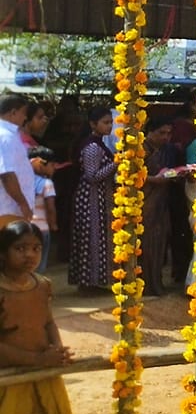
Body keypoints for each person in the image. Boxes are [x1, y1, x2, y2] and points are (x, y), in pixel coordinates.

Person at [0, 220, 86, 414]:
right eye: (20, 248)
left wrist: (56, 352)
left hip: (44, 378)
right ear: (4, 252)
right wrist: (36, 360)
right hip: (9, 380)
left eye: (35, 248)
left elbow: (48, 322)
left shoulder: (43, 285)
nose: (29, 255)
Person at [141, 115, 192, 295]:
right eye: (161, 133)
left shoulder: (166, 150)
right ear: (149, 132)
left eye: (169, 133)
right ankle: (144, 285)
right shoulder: (140, 149)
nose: (166, 137)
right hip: (144, 203)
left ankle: (156, 283)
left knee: (159, 242)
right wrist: (155, 179)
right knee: (145, 243)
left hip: (162, 203)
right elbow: (129, 176)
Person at [68, 107, 116, 291]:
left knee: (97, 237)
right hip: (90, 198)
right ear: (93, 124)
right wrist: (115, 164)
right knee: (91, 237)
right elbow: (92, 176)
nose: (109, 126)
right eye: (105, 122)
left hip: (97, 197)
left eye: (111, 122)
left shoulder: (99, 144)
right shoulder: (92, 147)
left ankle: (94, 281)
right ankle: (88, 282)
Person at [0, 95, 37, 225]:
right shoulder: (5, 136)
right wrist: (23, 203)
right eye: (24, 113)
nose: (25, 117)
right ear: (13, 113)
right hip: (8, 209)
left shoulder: (10, 135)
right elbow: (7, 174)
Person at [26, 148, 57, 272]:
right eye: (52, 165)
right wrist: (53, 224)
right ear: (41, 164)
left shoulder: (22, 182)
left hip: (25, 226)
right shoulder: (47, 183)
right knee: (40, 263)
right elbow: (50, 208)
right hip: (42, 228)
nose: (54, 168)